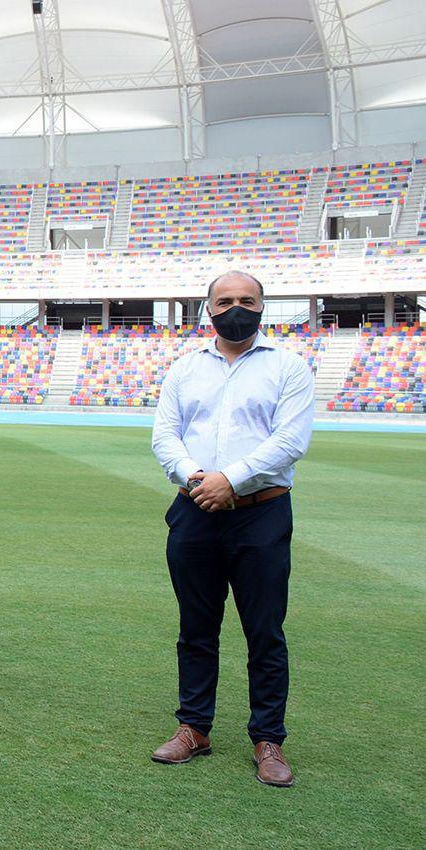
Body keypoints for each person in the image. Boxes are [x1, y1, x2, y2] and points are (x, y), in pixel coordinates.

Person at [150, 271, 314, 788]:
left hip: (261, 512)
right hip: (194, 508)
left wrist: (231, 479)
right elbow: (165, 435)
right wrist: (200, 480)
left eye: (247, 300)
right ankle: (193, 727)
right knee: (196, 629)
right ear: (209, 308)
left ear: (263, 306)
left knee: (264, 631)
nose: (236, 307)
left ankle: (269, 738)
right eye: (225, 300)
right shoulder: (185, 367)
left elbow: (290, 440)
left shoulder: (288, 366)